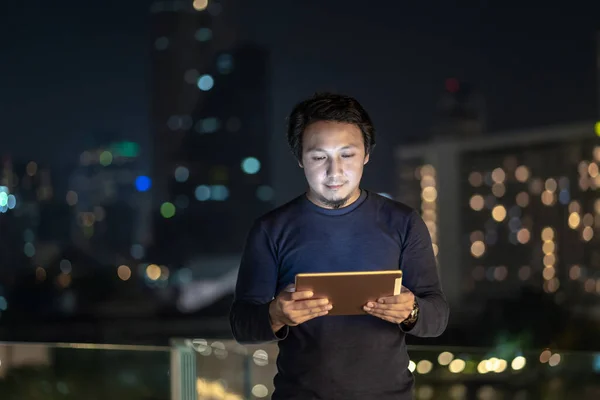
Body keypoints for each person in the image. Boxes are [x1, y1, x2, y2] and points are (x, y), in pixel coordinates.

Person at [229, 92, 449, 399]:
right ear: (299, 158)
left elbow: (437, 316)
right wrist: (276, 314)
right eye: (319, 157)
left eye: (347, 154)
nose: (335, 171)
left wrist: (411, 311)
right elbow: (242, 325)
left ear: (367, 154)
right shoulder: (271, 229)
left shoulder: (404, 222)